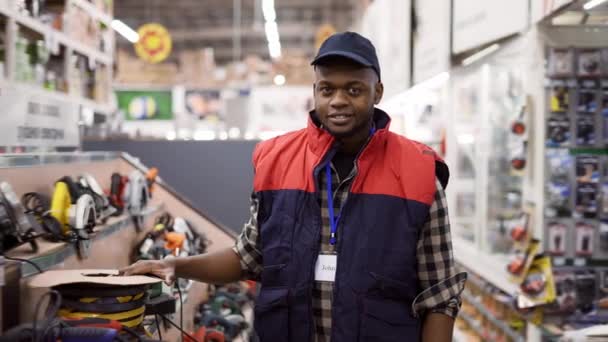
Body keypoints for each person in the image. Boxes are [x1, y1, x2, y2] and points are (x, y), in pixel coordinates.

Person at [121, 31, 467, 342]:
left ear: (377, 91)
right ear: (314, 92)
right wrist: (176, 265)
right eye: (327, 89)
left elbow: (439, 295)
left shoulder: (418, 172)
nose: (339, 100)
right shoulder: (276, 160)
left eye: (354, 89)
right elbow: (249, 258)